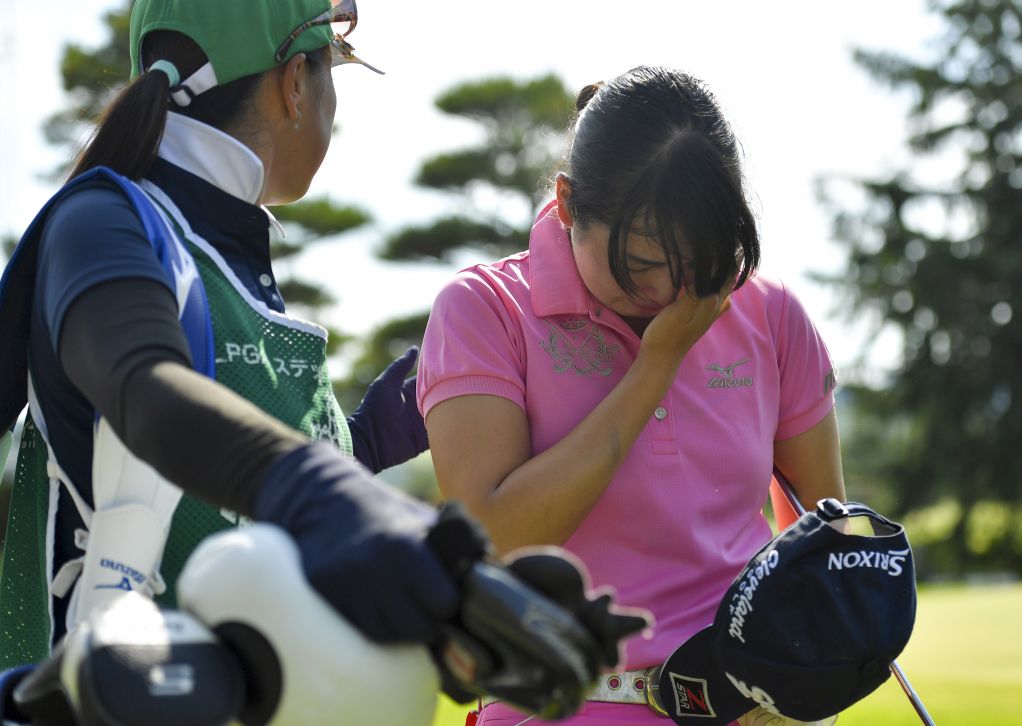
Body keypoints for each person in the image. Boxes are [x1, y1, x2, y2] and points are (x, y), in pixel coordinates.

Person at [0, 0, 448, 669]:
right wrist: (338, 499)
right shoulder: (105, 221)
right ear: (296, 83)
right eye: (334, 71)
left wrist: (361, 446)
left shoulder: (219, 244)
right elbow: (151, 398)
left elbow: (218, 515)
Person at [418, 66, 848, 725]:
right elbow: (491, 541)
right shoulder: (484, 311)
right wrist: (658, 363)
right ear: (566, 204)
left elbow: (821, 536)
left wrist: (798, 680)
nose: (669, 293)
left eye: (696, 260)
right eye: (640, 266)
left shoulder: (767, 311)